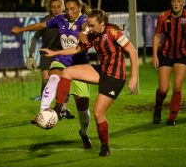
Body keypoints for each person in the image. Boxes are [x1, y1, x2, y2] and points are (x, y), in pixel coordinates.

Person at [40, 8, 138, 156]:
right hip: (102, 71)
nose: (89, 29)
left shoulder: (112, 32)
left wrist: (134, 77)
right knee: (67, 72)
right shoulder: (93, 35)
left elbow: (133, 51)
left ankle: (105, 147)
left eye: (92, 26)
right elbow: (76, 49)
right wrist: (54, 53)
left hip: (114, 77)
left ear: (102, 23)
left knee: (98, 113)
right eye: (89, 26)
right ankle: (59, 109)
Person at [12, 0, 93, 149]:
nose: (69, 12)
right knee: (53, 76)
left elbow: (86, 27)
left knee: (83, 111)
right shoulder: (60, 19)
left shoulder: (83, 19)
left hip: (79, 66)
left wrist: (84, 32)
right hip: (61, 60)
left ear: (80, 8)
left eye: (72, 9)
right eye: (67, 9)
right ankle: (42, 111)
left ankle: (83, 133)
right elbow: (41, 25)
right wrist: (21, 30)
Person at [26, 0, 75, 119]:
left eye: (59, 7)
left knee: (64, 81)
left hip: (62, 56)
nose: (56, 9)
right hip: (47, 55)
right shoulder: (45, 22)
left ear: (63, 8)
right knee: (46, 81)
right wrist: (31, 56)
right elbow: (35, 37)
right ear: (49, 8)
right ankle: (44, 110)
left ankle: (63, 108)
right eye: (53, 7)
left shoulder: (68, 21)